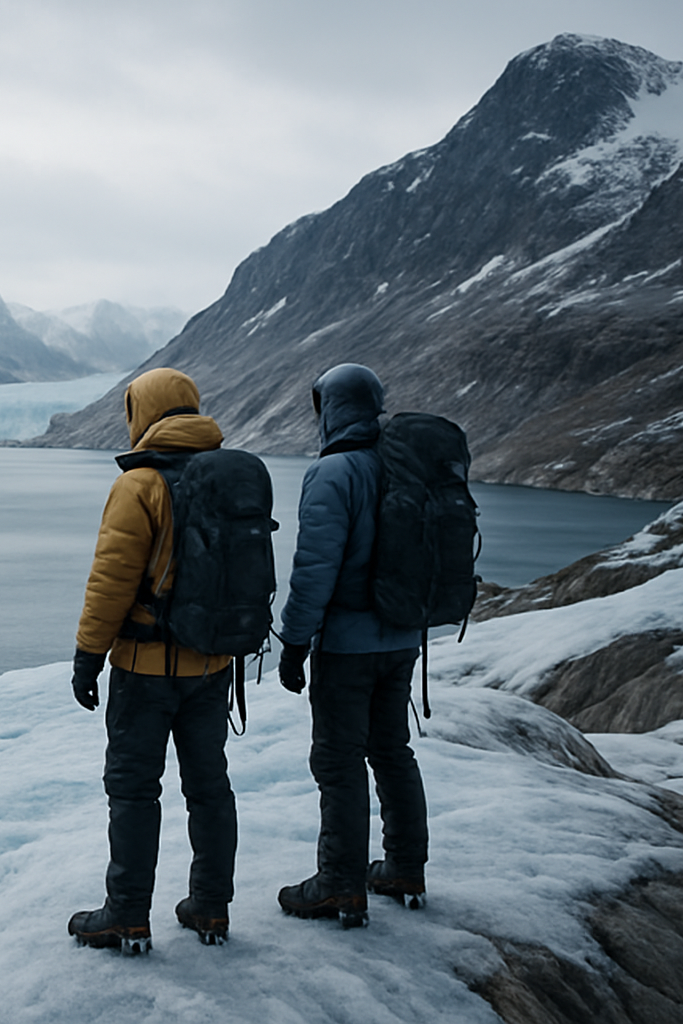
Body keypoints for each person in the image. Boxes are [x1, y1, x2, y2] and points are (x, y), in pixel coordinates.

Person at [67, 367, 238, 952]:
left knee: (135, 790)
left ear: (143, 412)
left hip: (145, 667)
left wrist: (88, 656)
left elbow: (111, 581)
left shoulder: (138, 485)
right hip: (214, 665)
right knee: (209, 786)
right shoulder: (227, 475)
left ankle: (127, 914)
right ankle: (211, 907)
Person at [274, 363, 428, 929]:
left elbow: (315, 570)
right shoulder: (406, 465)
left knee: (339, 761)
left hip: (347, 645)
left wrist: (293, 642)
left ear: (328, 409)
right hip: (403, 636)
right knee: (392, 750)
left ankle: (339, 882)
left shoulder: (334, 473)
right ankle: (405, 867)